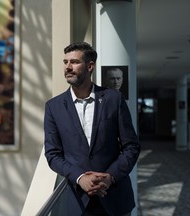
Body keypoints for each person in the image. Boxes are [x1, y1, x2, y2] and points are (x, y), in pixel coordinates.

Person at [44, 42, 140, 216]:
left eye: (74, 62)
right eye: (65, 62)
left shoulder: (114, 99)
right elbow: (52, 154)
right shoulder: (53, 107)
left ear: (90, 66)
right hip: (77, 201)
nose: (68, 67)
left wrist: (110, 177)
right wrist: (80, 178)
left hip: (114, 198)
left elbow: (131, 147)